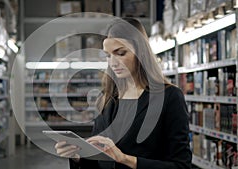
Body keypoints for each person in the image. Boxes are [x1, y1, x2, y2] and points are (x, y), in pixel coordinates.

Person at [55, 17, 192, 169]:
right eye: (108, 55)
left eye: (120, 53)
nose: (113, 62)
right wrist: (78, 157)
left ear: (141, 53)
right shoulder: (105, 98)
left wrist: (125, 159)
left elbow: (181, 166)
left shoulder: (169, 97)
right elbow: (98, 160)